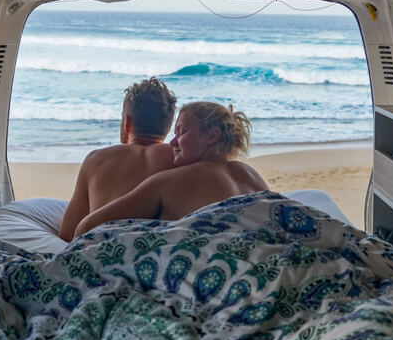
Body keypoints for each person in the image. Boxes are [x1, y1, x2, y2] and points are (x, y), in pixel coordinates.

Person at [72, 101, 268, 237]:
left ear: (212, 136)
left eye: (182, 132)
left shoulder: (170, 182)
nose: (172, 142)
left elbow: (86, 227)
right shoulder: (251, 175)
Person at [58, 77, 177, 241]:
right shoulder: (180, 158)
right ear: (169, 126)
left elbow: (67, 233)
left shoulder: (96, 159)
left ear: (127, 122)